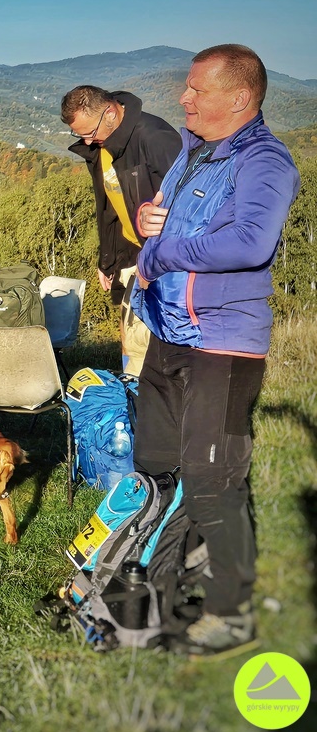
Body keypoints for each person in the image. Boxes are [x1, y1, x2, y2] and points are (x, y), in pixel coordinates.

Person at [131, 45, 300, 658]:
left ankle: (231, 612)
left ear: (238, 98)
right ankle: (163, 587)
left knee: (212, 477)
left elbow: (251, 242)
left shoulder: (266, 161)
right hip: (169, 331)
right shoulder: (193, 151)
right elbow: (177, 221)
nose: (184, 98)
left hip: (224, 343)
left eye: (196, 90)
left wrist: (164, 251)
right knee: (158, 467)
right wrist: (157, 220)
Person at [61, 85, 181, 376]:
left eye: (89, 133)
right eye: (80, 136)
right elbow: (111, 208)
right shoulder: (102, 148)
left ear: (111, 112)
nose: (87, 142)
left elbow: (186, 208)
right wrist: (109, 260)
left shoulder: (156, 139)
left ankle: (157, 409)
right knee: (131, 345)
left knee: (159, 349)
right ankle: (135, 404)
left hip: (164, 266)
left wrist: (158, 262)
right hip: (130, 259)